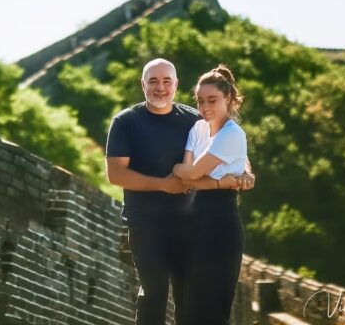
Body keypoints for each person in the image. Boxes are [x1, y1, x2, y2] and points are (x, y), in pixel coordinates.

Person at [106, 58, 254, 325]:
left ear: (176, 85)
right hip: (146, 223)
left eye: (166, 81)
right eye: (153, 81)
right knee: (155, 291)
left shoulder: (194, 119)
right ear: (143, 85)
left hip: (190, 223)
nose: (160, 88)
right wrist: (163, 184)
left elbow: (227, 142)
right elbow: (116, 174)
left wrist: (246, 171)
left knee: (188, 297)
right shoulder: (126, 122)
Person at [173, 64, 249, 324]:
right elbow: (186, 177)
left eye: (213, 100)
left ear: (228, 98)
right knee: (184, 305)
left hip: (220, 223)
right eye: (201, 101)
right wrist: (211, 180)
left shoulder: (232, 134)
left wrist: (186, 172)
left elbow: (191, 172)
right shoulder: (198, 129)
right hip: (192, 221)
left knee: (210, 309)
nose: (205, 107)